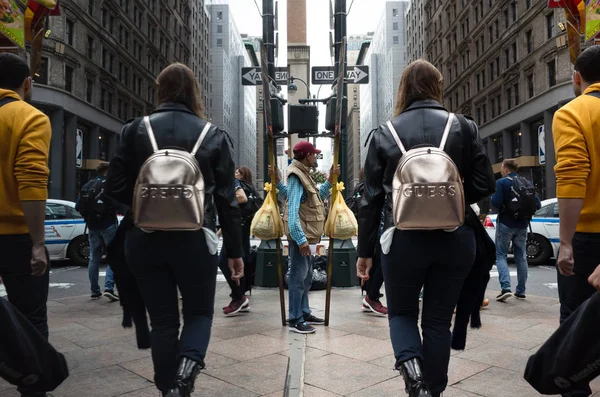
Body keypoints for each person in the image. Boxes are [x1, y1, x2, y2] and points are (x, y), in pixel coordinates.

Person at [356, 59, 495, 397]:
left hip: (402, 241)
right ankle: (433, 390)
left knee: (401, 313)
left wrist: (365, 252)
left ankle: (412, 375)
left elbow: (369, 200)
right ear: (438, 86)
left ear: (403, 89)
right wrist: (454, 197)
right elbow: (485, 182)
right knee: (436, 320)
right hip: (455, 237)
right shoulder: (463, 127)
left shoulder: (384, 133)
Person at [105, 63, 244, 397]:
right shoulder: (212, 135)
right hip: (195, 242)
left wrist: (140, 206)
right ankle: (184, 380)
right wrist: (235, 253)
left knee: (164, 321)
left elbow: (113, 187)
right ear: (193, 92)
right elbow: (227, 200)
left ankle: (167, 387)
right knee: (199, 314)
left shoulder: (134, 130)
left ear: (160, 89)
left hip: (144, 240)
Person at [0, 52, 53, 397]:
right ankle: (33, 388)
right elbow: (31, 180)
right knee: (30, 317)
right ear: (27, 83)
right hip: (16, 237)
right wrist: (38, 243)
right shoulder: (30, 117)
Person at [553, 45, 600, 397]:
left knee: (574, 320)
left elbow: (572, 177)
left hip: (586, 236)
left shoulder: (572, 112)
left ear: (577, 78)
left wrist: (565, 241)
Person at [272, 142, 340, 334]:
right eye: (314, 155)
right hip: (302, 237)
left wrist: (331, 180)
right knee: (298, 277)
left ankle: (304, 311)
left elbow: (313, 198)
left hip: (308, 237)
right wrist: (300, 239)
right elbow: (292, 212)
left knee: (307, 276)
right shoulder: (296, 175)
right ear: (307, 155)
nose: (315, 158)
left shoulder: (302, 174)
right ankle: (295, 317)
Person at [491, 159, 541, 301]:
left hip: (505, 224)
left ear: (506, 169)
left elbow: (496, 202)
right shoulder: (527, 182)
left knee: (501, 255)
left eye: (502, 167)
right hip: (522, 225)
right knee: (521, 257)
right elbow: (537, 204)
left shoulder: (502, 182)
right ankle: (521, 290)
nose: (501, 169)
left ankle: (506, 287)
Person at [219, 166, 260, 316]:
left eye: (238, 172)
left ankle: (239, 297)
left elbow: (241, 198)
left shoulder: (235, 182)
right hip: (242, 228)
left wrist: (221, 198)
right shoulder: (251, 187)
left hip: (235, 230)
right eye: (235, 171)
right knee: (240, 262)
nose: (235, 173)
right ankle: (240, 297)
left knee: (224, 261)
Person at [76, 163, 119, 301]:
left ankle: (95, 291)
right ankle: (109, 287)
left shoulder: (88, 185)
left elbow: (78, 206)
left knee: (94, 258)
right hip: (109, 225)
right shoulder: (111, 185)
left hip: (92, 226)